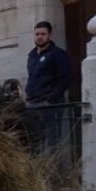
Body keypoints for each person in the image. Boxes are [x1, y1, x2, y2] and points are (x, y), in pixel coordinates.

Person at [24, 21, 71, 151]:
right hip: (33, 104)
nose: (39, 37)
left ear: (49, 35)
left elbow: (64, 79)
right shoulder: (32, 55)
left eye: (43, 34)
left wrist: (50, 101)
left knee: (53, 142)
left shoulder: (58, 54)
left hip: (50, 105)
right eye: (37, 34)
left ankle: (56, 165)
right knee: (34, 141)